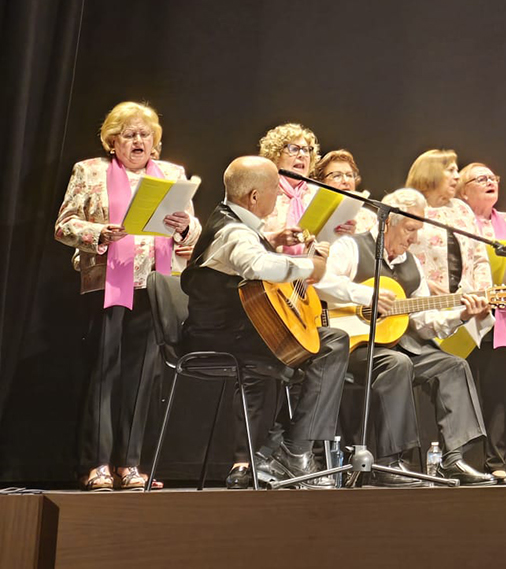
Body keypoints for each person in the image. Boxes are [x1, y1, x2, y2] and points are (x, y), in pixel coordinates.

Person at [181, 156, 350, 488]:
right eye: (275, 188)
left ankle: (278, 451)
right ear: (254, 196)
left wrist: (276, 243)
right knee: (327, 344)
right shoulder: (233, 231)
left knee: (317, 346)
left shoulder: (237, 223)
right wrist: (309, 267)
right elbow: (255, 265)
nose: (278, 194)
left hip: (236, 330)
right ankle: (291, 450)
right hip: (221, 335)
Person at [55, 101, 198, 491]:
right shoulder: (90, 171)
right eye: (129, 134)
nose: (138, 141)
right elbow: (64, 225)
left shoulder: (172, 174)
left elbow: (192, 227)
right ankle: (96, 463)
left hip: (155, 284)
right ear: (112, 141)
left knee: (142, 377)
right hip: (107, 282)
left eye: (145, 134)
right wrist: (99, 234)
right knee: (105, 372)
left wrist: (186, 228)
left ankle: (130, 464)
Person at [318, 188, 494, 484]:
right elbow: (321, 281)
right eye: (410, 229)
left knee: (453, 365)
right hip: (353, 346)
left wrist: (462, 315)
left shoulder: (412, 265)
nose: (415, 238)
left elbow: (424, 323)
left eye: (418, 230)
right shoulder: (351, 247)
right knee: (398, 363)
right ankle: (391, 462)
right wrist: (366, 295)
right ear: (389, 221)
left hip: (399, 346)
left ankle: (453, 460)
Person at [457, 162, 506, 480]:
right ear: (462, 191)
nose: (490, 182)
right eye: (481, 178)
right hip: (464, 315)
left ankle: (496, 461)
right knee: (459, 389)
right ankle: (456, 458)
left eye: (493, 178)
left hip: (504, 316)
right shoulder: (454, 221)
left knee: (499, 391)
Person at [404, 149, 488, 299]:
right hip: (422, 303)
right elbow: (392, 258)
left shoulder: (461, 209)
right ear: (430, 173)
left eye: (457, 170)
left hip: (466, 305)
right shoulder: (407, 209)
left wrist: (483, 296)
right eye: (450, 170)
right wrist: (421, 284)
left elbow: (479, 259)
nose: (457, 176)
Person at [258, 123, 320, 255]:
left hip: (312, 266)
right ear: (275, 155)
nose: (302, 155)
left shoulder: (317, 195)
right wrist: (275, 239)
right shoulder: (260, 193)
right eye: (294, 149)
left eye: (306, 150)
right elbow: (242, 239)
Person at [312, 149, 378, 236]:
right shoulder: (311, 212)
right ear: (322, 182)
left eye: (349, 175)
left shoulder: (369, 219)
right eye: (337, 176)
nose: (345, 181)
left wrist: (355, 238)